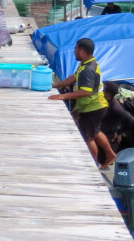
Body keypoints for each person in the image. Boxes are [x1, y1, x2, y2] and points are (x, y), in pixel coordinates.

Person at [48, 37, 117, 170]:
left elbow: (85, 91)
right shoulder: (86, 64)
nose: (74, 52)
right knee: (94, 131)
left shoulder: (88, 69)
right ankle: (110, 154)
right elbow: (74, 77)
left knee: (88, 137)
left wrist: (63, 96)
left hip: (93, 107)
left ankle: (92, 166)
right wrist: (57, 85)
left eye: (76, 49)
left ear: (82, 51)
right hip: (95, 105)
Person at [101, 81, 134, 155]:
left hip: (110, 138)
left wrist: (120, 132)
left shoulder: (116, 108)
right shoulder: (107, 102)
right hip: (103, 133)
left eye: (104, 91)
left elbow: (132, 120)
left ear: (109, 94)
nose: (102, 92)